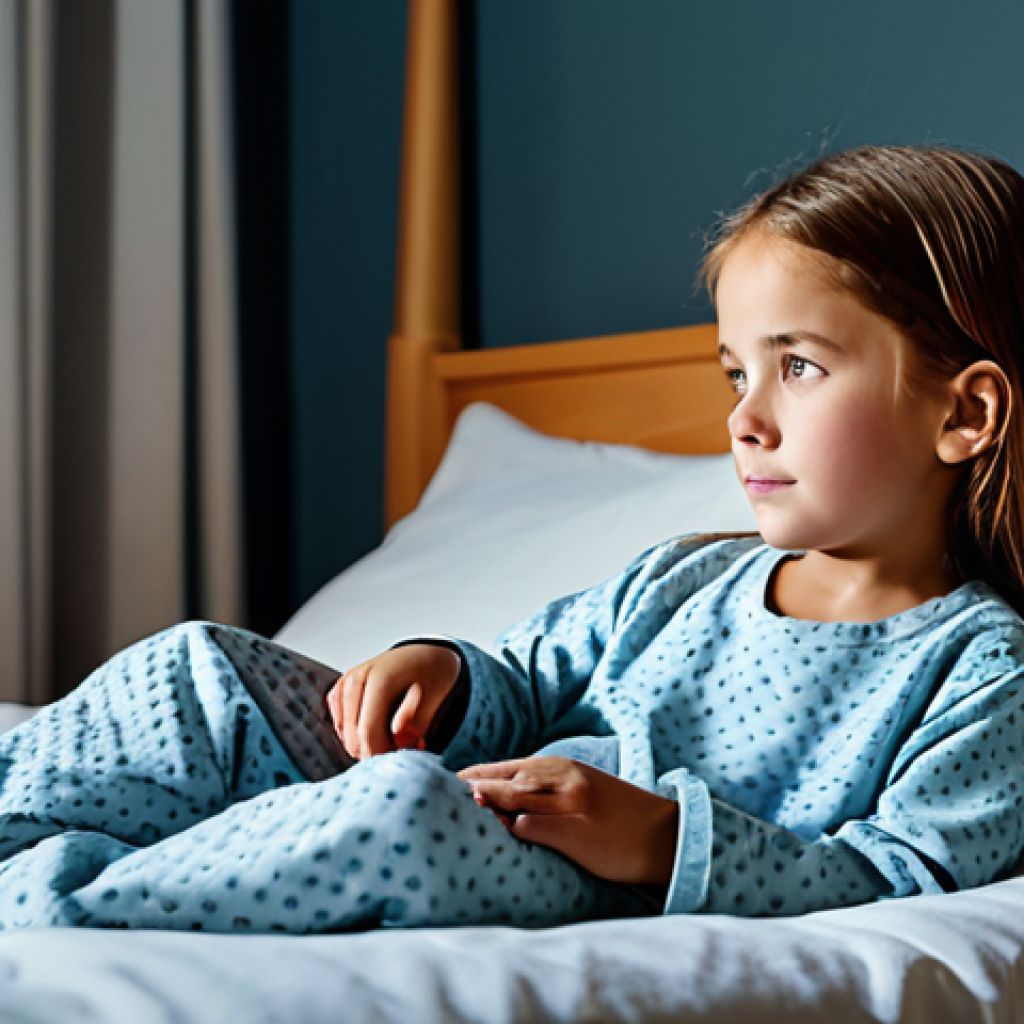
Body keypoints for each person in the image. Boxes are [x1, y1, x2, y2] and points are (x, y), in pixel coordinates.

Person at [3, 144, 1024, 934]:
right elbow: (528, 679)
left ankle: (56, 902)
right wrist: (441, 670)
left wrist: (662, 840)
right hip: (485, 780)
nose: (744, 417)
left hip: (556, 866)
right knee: (205, 671)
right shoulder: (680, 578)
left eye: (795, 365)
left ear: (963, 414)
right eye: (732, 373)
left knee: (403, 811)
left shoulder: (980, 669)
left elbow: (908, 874)